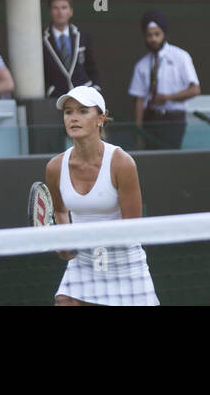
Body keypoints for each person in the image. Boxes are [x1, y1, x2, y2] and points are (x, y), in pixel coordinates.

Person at [45, 85, 158, 306]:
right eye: (68, 112)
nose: (73, 118)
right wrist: (64, 241)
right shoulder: (55, 167)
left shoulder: (121, 163)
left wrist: (81, 239)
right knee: (64, 302)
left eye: (83, 111)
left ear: (101, 118)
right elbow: (59, 210)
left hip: (124, 263)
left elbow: (132, 228)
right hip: (84, 263)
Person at [128, 10, 200, 150]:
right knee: (152, 159)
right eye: (149, 35)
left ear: (164, 34)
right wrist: (138, 130)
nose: (153, 39)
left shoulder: (180, 56)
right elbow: (139, 100)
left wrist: (168, 97)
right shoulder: (141, 65)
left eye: (157, 34)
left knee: (170, 158)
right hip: (151, 119)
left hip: (173, 118)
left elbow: (195, 89)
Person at [42, 0, 101, 99]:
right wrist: (50, 91)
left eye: (64, 8)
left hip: (84, 95)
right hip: (57, 97)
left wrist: (95, 88)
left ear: (70, 12)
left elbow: (91, 66)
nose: (60, 12)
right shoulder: (42, 39)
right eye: (55, 8)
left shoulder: (82, 35)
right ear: (50, 12)